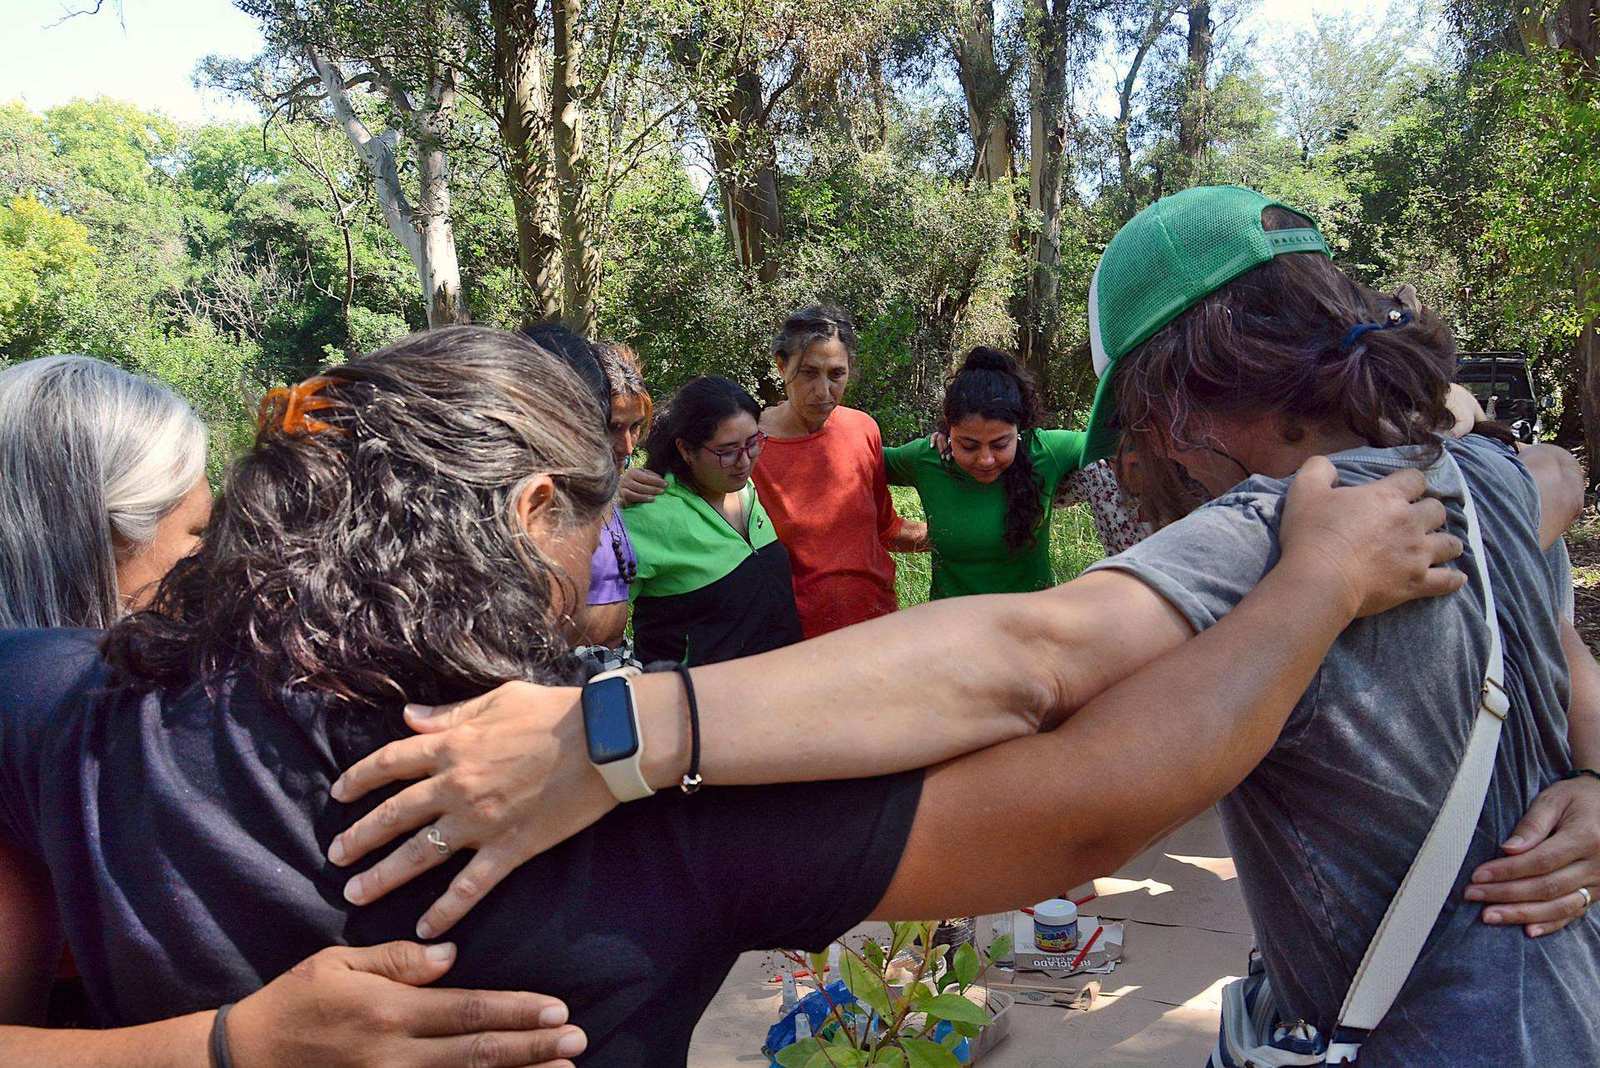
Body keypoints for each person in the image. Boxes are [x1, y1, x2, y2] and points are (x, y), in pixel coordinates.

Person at [329, 192, 1600, 1064]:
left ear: (1182, 392)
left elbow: (1025, 662)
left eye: (1138, 427)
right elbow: (1563, 635)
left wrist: (619, 733)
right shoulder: (1482, 481)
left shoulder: (1290, 524)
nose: (1145, 464)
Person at [0, 326, 1464, 1067]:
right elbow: (1083, 804)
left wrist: (216, 1047)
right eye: (594, 513)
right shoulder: (614, 808)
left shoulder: (59, 699)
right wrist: (1311, 589)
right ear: (527, 515)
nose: (602, 551)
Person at [0, 355, 585, 1066]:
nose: (212, 563)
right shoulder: (36, 711)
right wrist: (228, 1046)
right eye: (195, 535)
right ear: (90, 542)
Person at [624, 305, 926, 637]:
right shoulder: (748, 449)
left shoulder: (862, 429)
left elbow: (885, 528)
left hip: (879, 627)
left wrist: (973, 535)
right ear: (782, 366)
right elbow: (688, 507)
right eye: (809, 373)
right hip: (794, 643)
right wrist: (613, 494)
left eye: (836, 374)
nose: (824, 392)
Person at [623, 375, 804, 665]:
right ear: (686, 450)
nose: (744, 461)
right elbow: (594, 620)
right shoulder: (648, 514)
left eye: (752, 443)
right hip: (704, 702)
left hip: (784, 687)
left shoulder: (747, 490)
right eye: (727, 451)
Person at [884, 347, 1088, 598]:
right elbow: (859, 457)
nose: (986, 460)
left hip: (1029, 625)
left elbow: (1116, 441)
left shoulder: (1045, 452)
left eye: (1001, 444)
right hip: (952, 627)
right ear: (949, 428)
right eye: (968, 445)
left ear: (1019, 428)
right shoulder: (927, 459)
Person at [583, 342, 651, 650]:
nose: (627, 446)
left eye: (635, 427)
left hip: (610, 667)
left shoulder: (613, 493)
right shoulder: (545, 501)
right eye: (614, 428)